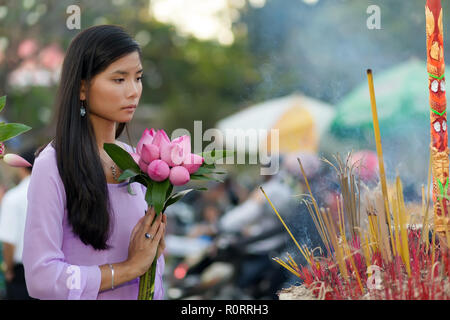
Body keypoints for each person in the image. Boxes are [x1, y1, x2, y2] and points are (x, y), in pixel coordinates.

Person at [22, 25, 166, 300]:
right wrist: (128, 268)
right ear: (82, 88)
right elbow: (41, 277)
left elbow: (152, 268)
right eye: (119, 79)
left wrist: (153, 250)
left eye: (138, 78)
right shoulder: (54, 164)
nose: (134, 91)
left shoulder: (137, 162)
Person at [0, 148, 35, 300]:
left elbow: (9, 241)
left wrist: (8, 270)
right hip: (52, 267)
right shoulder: (55, 192)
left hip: (21, 272)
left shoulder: (13, 198)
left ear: (22, 168)